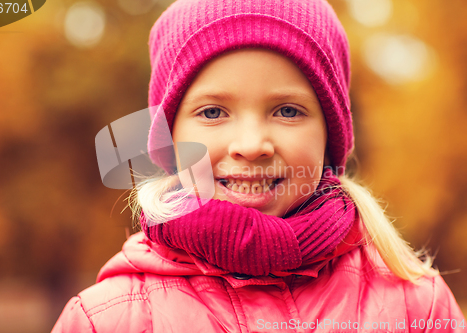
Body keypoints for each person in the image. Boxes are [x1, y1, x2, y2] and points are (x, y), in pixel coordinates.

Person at [52, 0, 465, 331]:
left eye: (287, 110)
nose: (251, 146)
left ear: (329, 136)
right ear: (170, 137)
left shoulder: (418, 308)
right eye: (213, 113)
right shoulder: (105, 320)